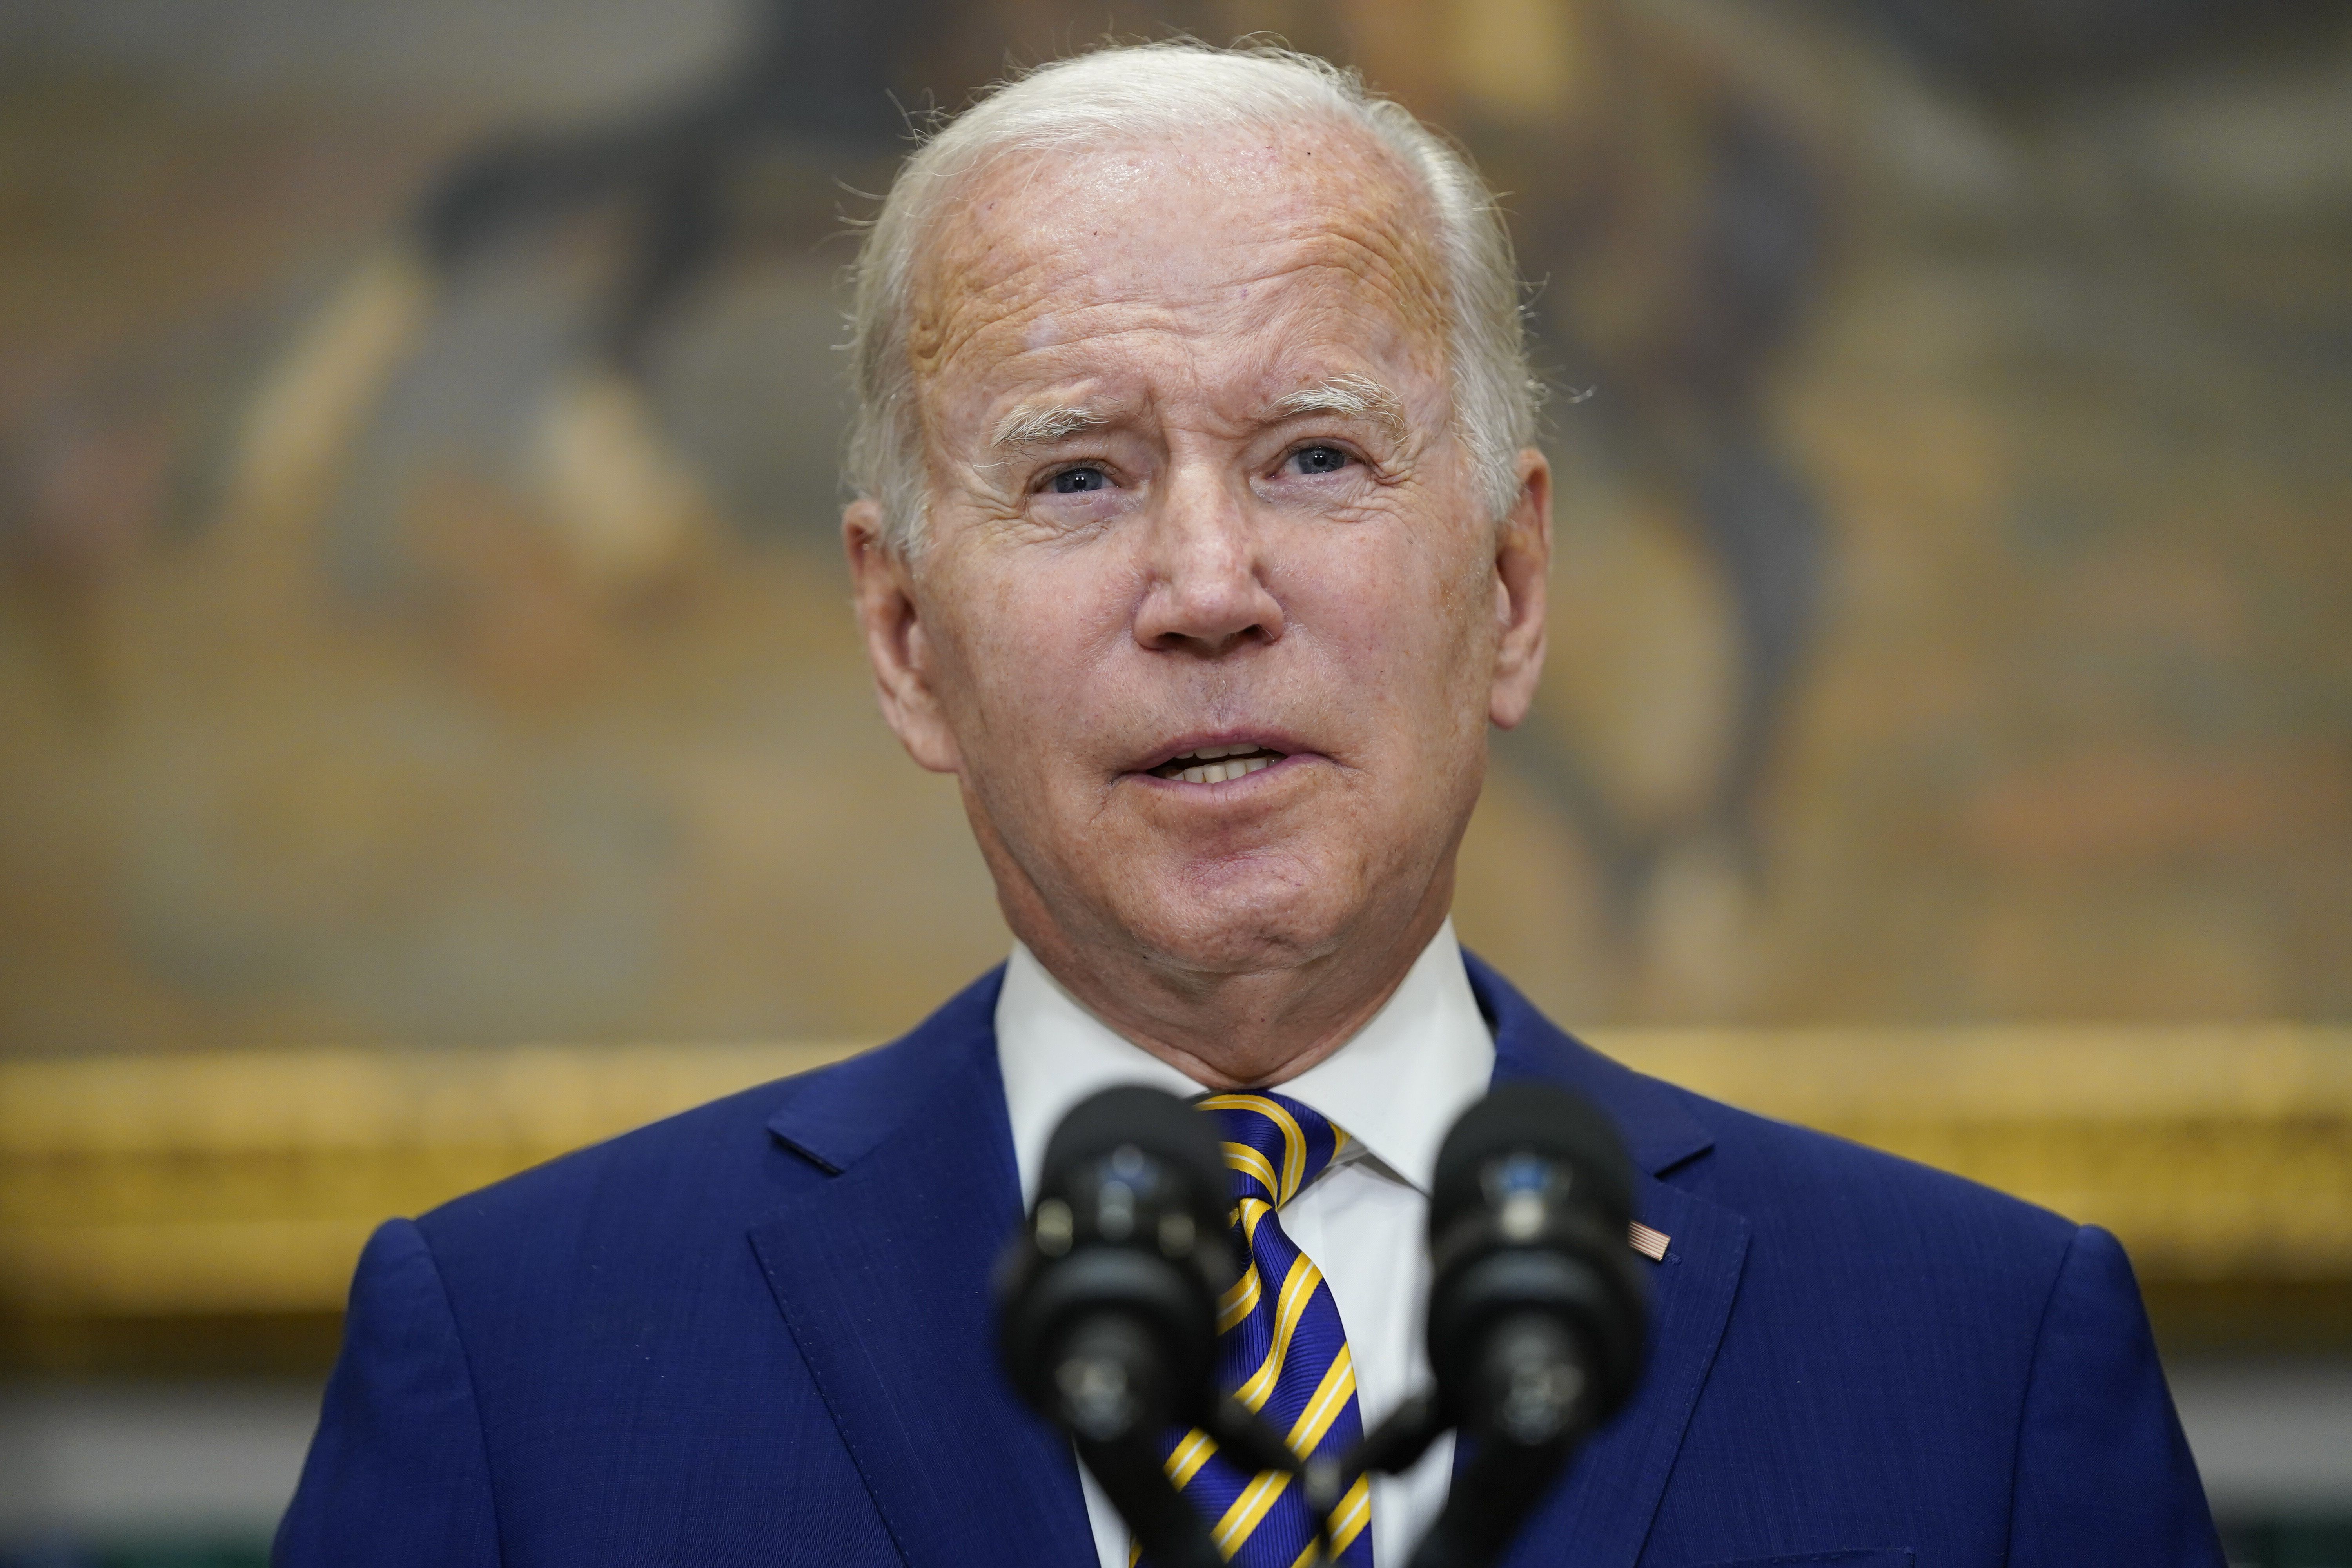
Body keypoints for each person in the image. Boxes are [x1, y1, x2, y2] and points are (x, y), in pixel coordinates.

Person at [276, 42, 2222, 1568]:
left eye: (1312, 455)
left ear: (1513, 593)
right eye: (1078, 479)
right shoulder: (525, 1368)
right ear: (900, 635)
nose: (1209, 586)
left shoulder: (1978, 1351)